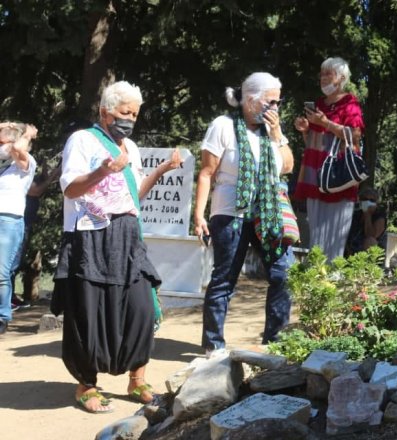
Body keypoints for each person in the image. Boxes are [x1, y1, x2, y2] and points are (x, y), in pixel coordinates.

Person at [55, 81, 182, 413]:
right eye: (125, 112)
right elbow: (70, 189)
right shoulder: (82, 140)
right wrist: (103, 170)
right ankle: (86, 385)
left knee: (141, 309)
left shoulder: (132, 147)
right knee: (88, 314)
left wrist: (163, 169)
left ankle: (137, 378)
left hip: (126, 236)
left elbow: (134, 196)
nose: (130, 119)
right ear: (104, 112)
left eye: (135, 114)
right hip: (89, 237)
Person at [193, 72, 295, 358]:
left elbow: (286, 167)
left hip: (267, 214)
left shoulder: (271, 132)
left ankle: (275, 342)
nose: (276, 107)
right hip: (230, 215)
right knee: (224, 279)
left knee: (283, 274)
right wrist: (199, 215)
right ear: (251, 100)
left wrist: (277, 135)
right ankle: (213, 345)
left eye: (279, 101)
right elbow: (206, 173)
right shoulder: (223, 126)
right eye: (271, 101)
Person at [293, 57, 364, 260]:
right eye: (322, 74)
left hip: (338, 179)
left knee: (334, 240)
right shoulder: (317, 105)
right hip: (316, 177)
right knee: (316, 237)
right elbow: (314, 143)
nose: (323, 78)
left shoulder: (350, 104)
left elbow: (355, 135)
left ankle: (331, 284)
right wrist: (305, 130)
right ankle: (316, 282)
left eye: (328, 74)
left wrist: (326, 124)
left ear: (341, 78)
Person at [0, 122, 37, 335]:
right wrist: (4, 125)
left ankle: (3, 316)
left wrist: (28, 134)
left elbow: (17, 150)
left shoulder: (27, 162)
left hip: (9, 219)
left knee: (2, 273)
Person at [345, 187, 387, 256]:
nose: (367, 202)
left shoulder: (379, 216)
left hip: (370, 254)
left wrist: (367, 214)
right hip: (351, 250)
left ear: (376, 202)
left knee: (370, 241)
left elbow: (370, 235)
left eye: (371, 200)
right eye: (364, 199)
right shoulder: (356, 214)